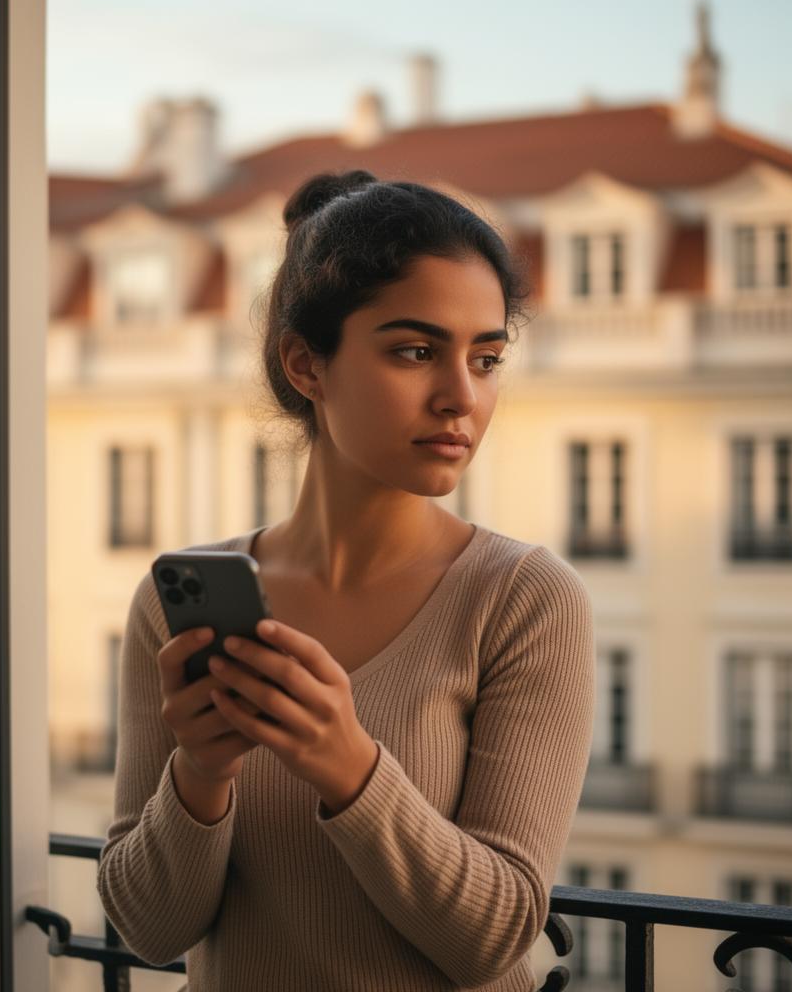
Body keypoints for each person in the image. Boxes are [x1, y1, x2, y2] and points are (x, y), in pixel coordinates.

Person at [97, 169, 596, 992]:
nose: (460, 397)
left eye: (487, 358)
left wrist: (349, 765)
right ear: (306, 364)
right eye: (415, 351)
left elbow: (496, 937)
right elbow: (149, 931)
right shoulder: (176, 602)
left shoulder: (525, 601)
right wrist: (200, 775)